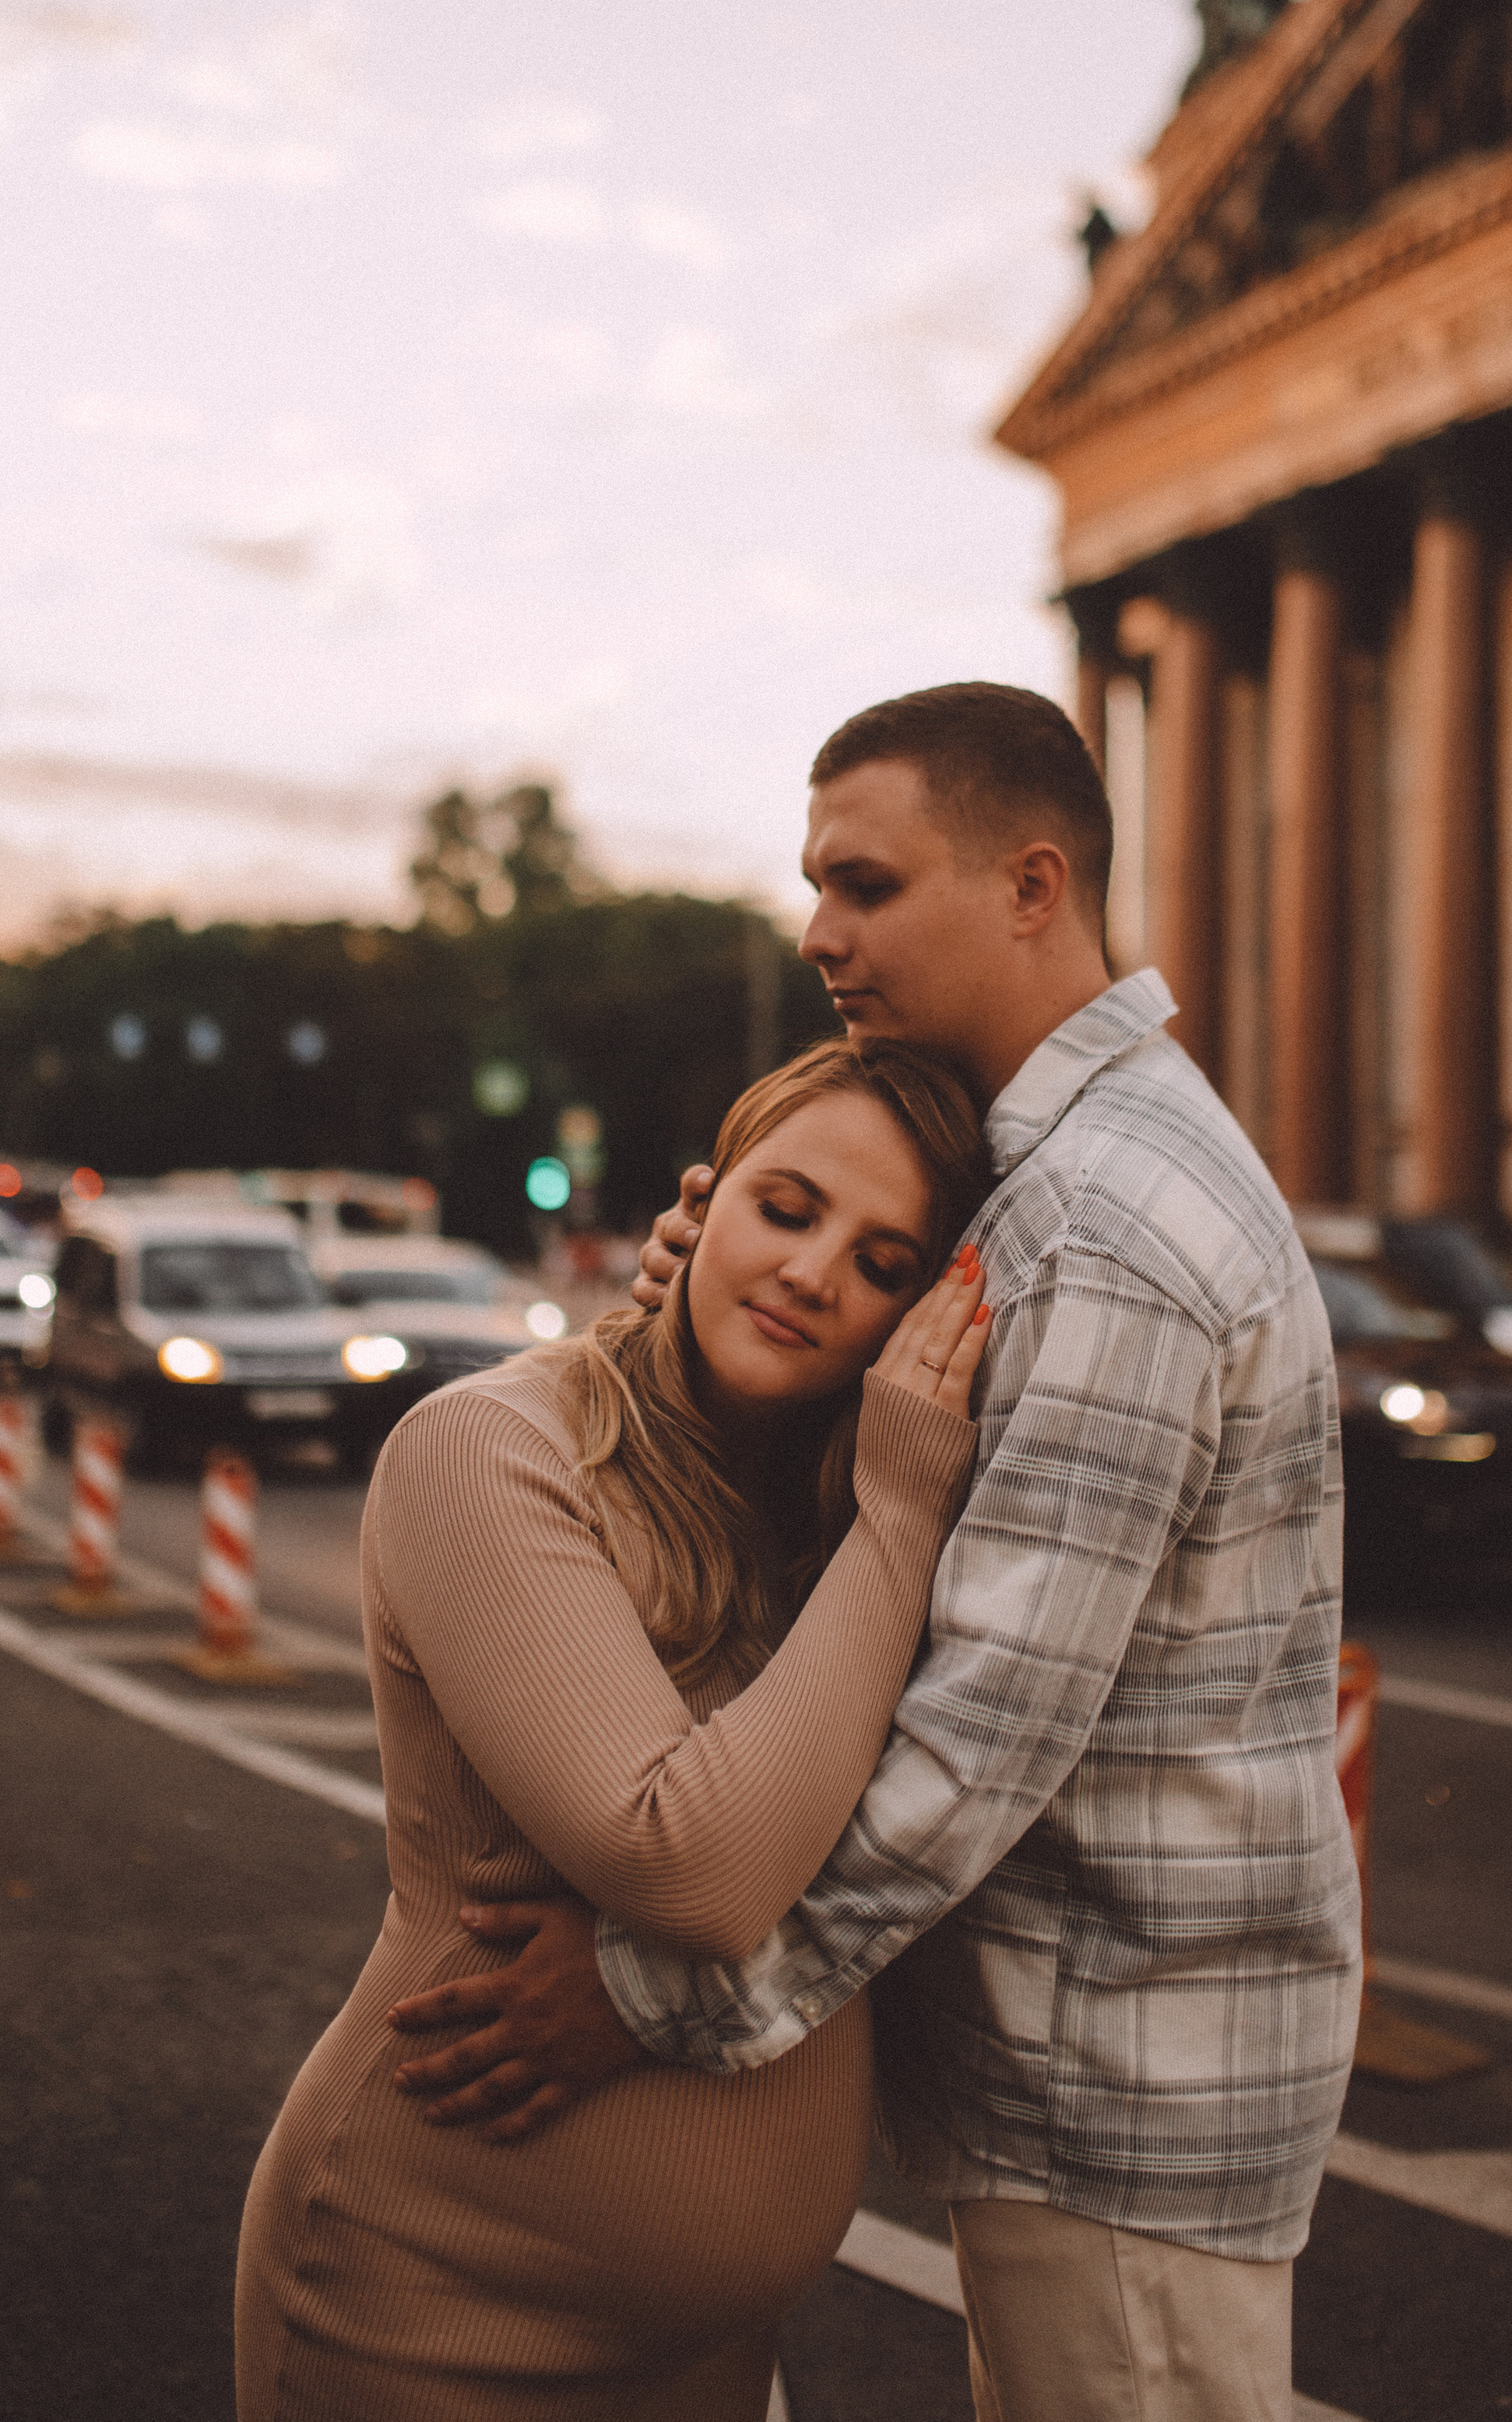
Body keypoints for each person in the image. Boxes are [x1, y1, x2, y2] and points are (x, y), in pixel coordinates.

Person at [389, 682, 1363, 2422]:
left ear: (1029, 885)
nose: (818, 930)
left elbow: (980, 1731)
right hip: (1091, 2058)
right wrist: (711, 1300)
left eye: (863, 883)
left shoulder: (1104, 1221)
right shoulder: (1041, 1171)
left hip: (1120, 2075)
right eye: (815, 884)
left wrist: (640, 1995)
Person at [234, 1035, 993, 2421]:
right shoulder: (489, 1449)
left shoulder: (822, 1500)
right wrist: (901, 1511)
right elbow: (689, 1869)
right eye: (787, 1208)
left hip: (719, 2362)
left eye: (887, 1265)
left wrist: (876, 1503)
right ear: (698, 1205)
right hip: (434, 2319)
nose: (817, 1274)